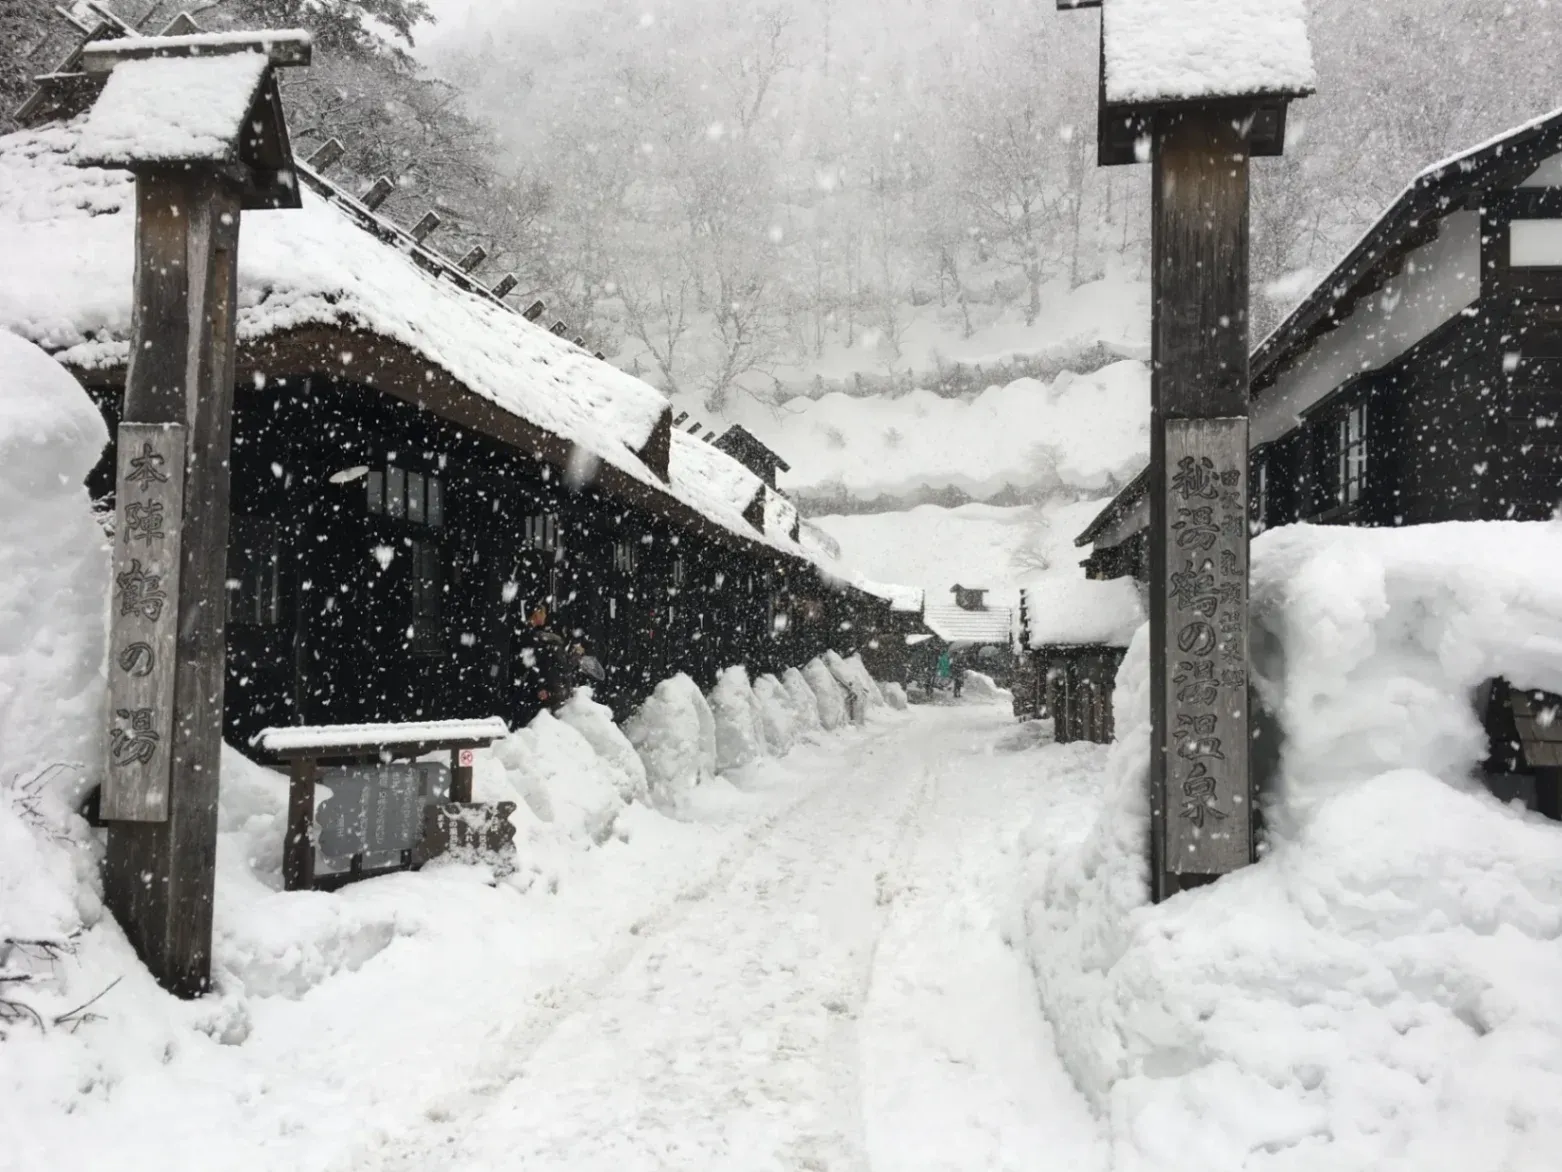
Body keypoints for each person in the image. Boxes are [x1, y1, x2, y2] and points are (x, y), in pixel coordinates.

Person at [513, 604, 568, 711]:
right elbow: (530, 662)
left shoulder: (530, 633)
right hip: (527, 686)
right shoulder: (528, 635)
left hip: (529, 683)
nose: (545, 616)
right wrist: (539, 687)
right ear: (536, 613)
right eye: (543, 613)